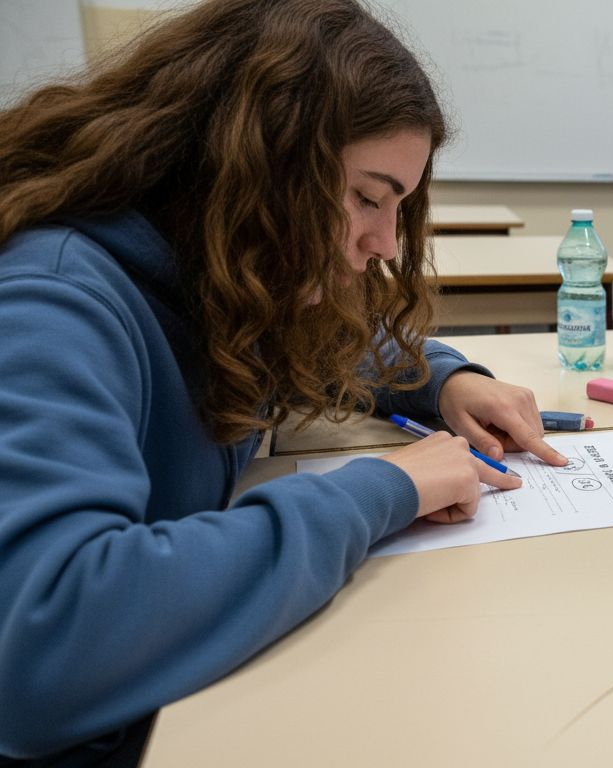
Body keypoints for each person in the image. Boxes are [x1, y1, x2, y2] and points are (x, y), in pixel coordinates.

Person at [0, 0, 568, 761]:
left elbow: (340, 340)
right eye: (368, 198)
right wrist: (381, 488)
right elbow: (47, 646)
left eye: (396, 208)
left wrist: (444, 380)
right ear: (260, 160)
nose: (383, 243)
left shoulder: (221, 275)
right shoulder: (56, 303)